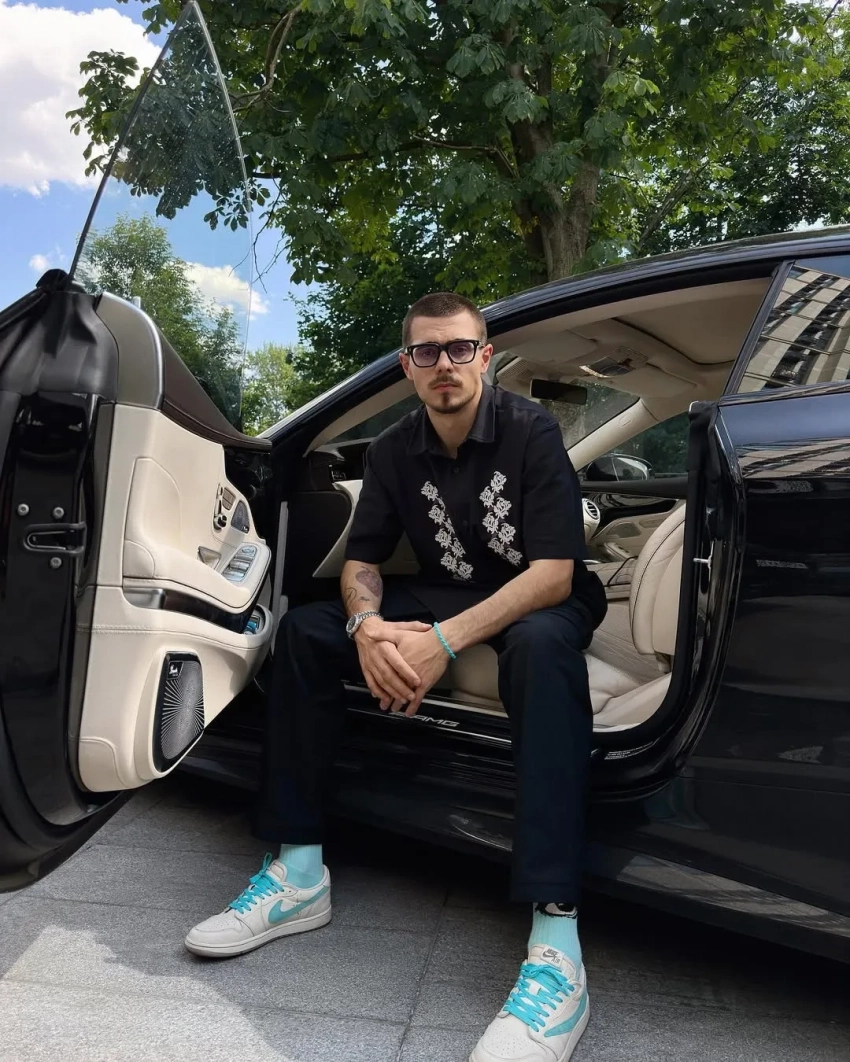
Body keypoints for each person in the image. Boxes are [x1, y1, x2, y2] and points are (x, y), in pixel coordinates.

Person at [185, 292, 607, 1062]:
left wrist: (439, 643)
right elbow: (361, 563)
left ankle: (557, 946)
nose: (444, 364)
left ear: (485, 357)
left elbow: (553, 573)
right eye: (426, 352)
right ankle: (298, 872)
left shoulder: (530, 430)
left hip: (544, 595)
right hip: (448, 590)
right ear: (407, 366)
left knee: (540, 651)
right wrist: (370, 631)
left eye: (459, 348)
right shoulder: (391, 450)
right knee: (307, 631)